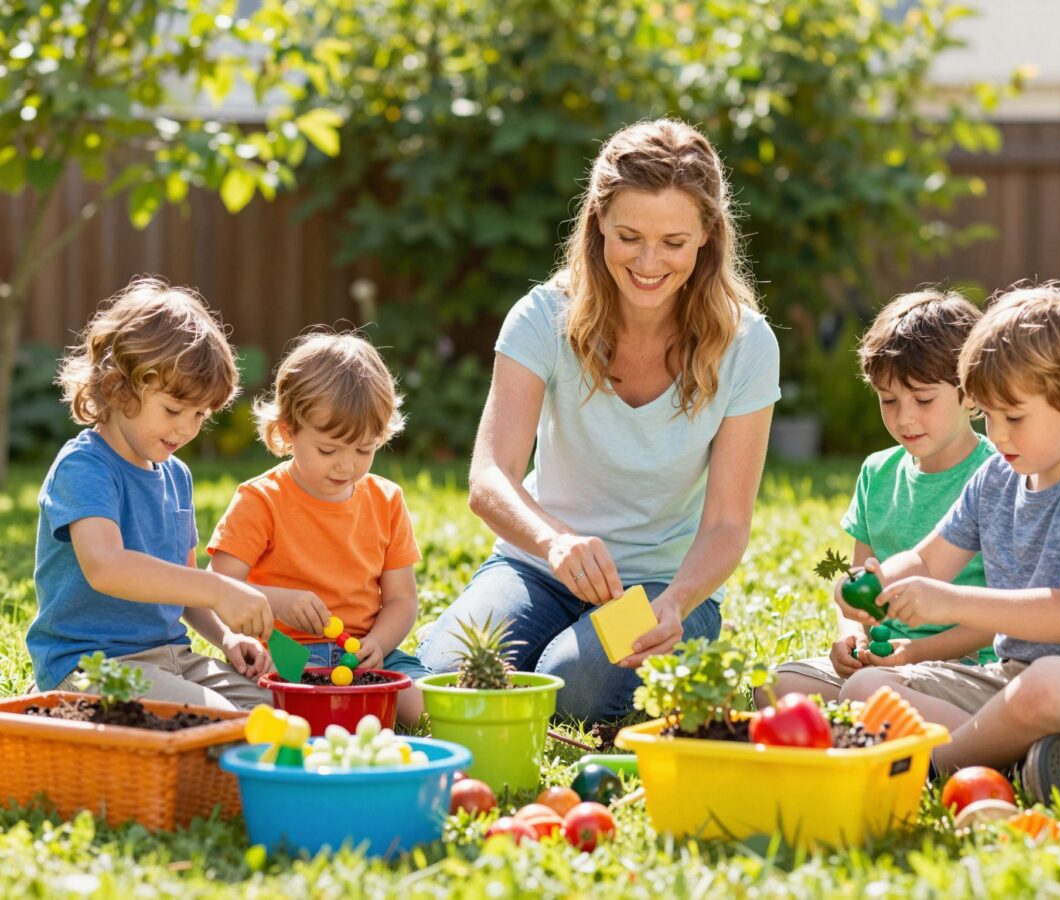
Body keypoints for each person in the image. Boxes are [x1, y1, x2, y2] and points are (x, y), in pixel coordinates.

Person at [418, 118, 780, 722]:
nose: (648, 262)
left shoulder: (747, 343)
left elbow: (725, 525)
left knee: (573, 688)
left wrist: (680, 602)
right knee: (444, 684)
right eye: (629, 235)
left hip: (662, 588)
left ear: (708, 236)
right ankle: (486, 624)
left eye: (673, 242)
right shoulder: (542, 317)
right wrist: (555, 541)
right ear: (597, 224)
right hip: (536, 566)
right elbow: (490, 478)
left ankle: (570, 655)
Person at [841, 282, 1060, 803]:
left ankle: (945, 764)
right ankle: (1024, 758)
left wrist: (948, 599)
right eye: (988, 416)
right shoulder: (997, 477)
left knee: (1049, 684)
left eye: (1014, 417)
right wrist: (879, 579)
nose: (997, 436)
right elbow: (929, 558)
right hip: (1012, 679)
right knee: (864, 690)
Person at [27, 277, 275, 710]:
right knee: (218, 720)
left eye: (200, 414)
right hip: (91, 667)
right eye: (173, 410)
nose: (186, 428)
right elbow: (107, 567)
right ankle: (60, 707)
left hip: (174, 659)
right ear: (118, 388)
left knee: (278, 707)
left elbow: (184, 591)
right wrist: (218, 588)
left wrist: (227, 635)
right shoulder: (84, 466)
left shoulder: (176, 475)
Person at [759, 290, 996, 706]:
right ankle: (870, 724)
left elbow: (1001, 620)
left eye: (923, 399)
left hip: (964, 667)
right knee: (774, 687)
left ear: (970, 392)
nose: (904, 417)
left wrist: (914, 655)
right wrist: (848, 635)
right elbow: (859, 585)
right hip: (883, 666)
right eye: (889, 400)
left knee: (867, 694)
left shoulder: (997, 476)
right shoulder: (877, 473)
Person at [207, 332, 429, 725]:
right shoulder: (261, 500)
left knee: (420, 706)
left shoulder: (387, 500)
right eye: (328, 450)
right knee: (273, 712)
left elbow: (401, 600)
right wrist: (279, 602)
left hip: (362, 653)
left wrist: (377, 643)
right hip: (285, 656)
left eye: (364, 449)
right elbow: (218, 587)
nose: (347, 467)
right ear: (288, 431)